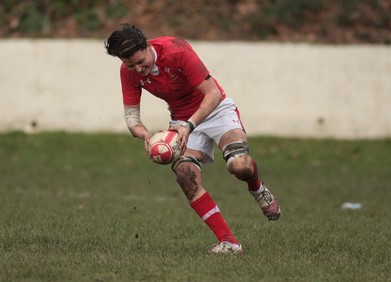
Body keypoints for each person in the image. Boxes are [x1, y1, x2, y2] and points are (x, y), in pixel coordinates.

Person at [105, 24, 281, 255]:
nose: (138, 69)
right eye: (131, 65)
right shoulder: (127, 72)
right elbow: (131, 117)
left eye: (140, 61)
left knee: (240, 166)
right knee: (185, 177)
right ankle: (229, 243)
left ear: (148, 45)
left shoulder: (176, 50)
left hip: (215, 110)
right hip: (181, 121)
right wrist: (145, 135)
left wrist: (189, 125)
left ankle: (257, 189)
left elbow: (213, 94)